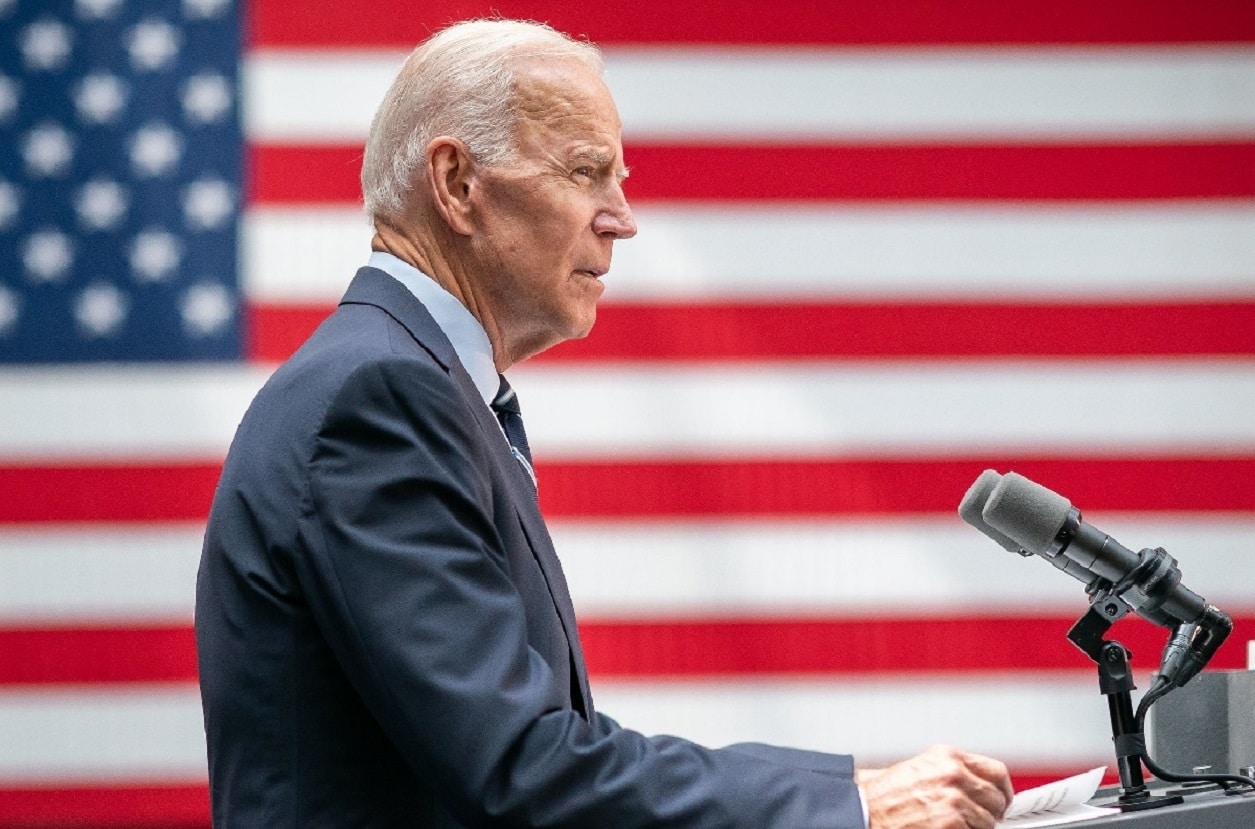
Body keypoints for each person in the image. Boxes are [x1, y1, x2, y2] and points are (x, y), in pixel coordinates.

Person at [195, 18, 1014, 828]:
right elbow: (522, 766)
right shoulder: (378, 397)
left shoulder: (413, 383)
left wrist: (850, 790)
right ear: (456, 183)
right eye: (586, 172)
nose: (620, 218)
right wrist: (851, 802)